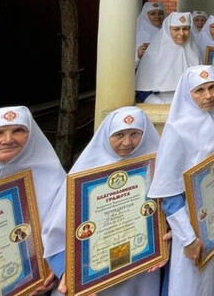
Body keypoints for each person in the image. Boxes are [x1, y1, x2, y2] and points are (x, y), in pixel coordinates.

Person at [148, 65, 214, 296]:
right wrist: (188, 238)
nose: (208, 96)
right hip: (195, 225)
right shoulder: (177, 130)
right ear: (188, 94)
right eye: (200, 90)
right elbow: (171, 194)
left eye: (213, 87)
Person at [44, 106, 164, 296]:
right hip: (93, 271)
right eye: (119, 135)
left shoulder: (156, 166)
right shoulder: (85, 173)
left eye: (135, 134)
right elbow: (57, 232)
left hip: (142, 269)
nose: (127, 142)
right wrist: (66, 269)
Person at [0, 106, 67, 295]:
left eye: (18, 131)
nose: (8, 140)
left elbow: (64, 226)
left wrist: (55, 266)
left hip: (42, 282)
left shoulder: (51, 174)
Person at [135, 12, 201, 103]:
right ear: (168, 30)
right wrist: (157, 103)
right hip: (160, 104)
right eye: (176, 29)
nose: (182, 33)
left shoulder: (195, 54)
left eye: (186, 29)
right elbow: (141, 89)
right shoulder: (153, 54)